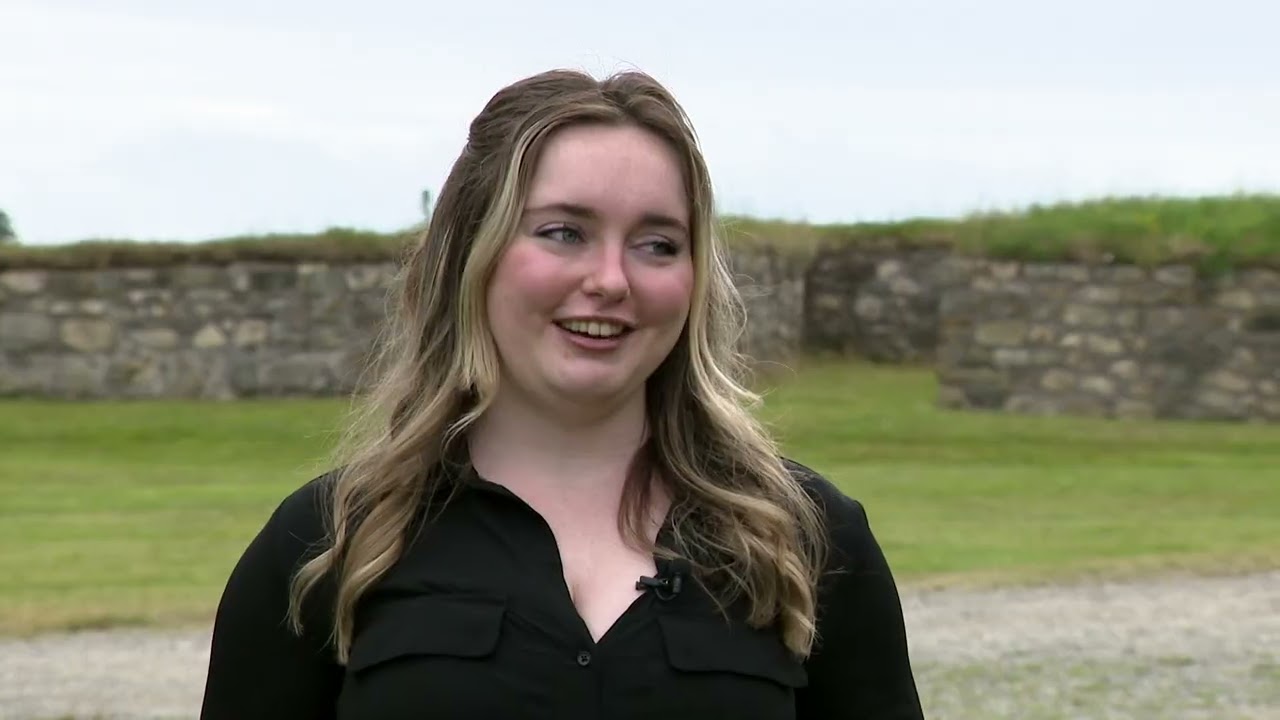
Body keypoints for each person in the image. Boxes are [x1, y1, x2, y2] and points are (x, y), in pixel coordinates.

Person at [199, 68, 924, 719]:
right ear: (470, 255)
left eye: (658, 244)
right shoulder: (328, 545)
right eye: (563, 232)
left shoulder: (807, 538)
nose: (611, 279)